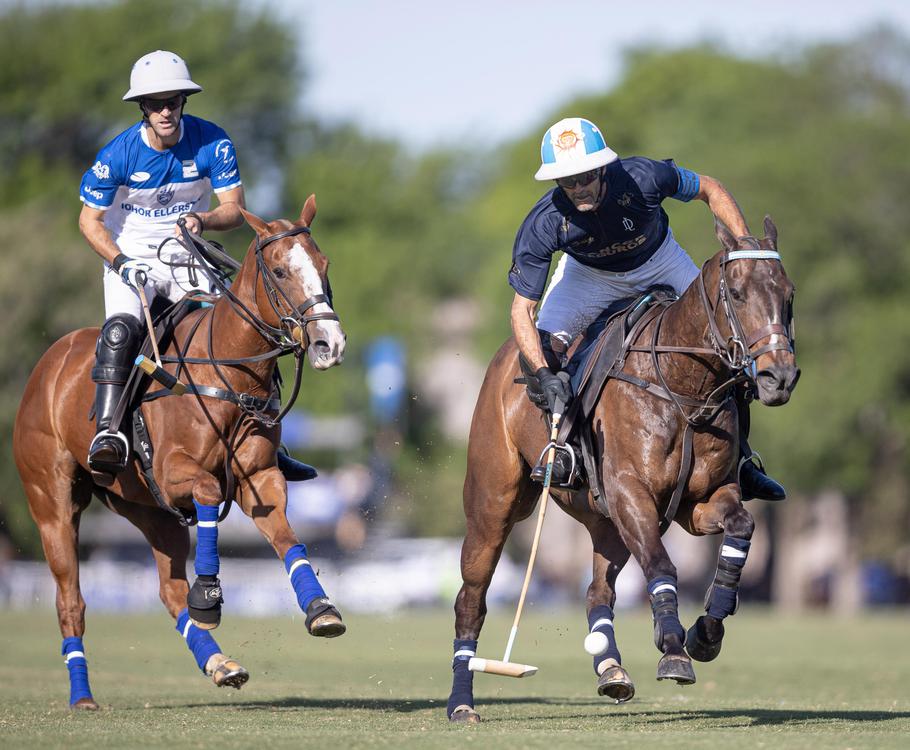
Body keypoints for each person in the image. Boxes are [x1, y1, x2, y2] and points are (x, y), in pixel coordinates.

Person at [509, 116, 785, 501]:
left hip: (659, 259)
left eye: (586, 176)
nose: (579, 188)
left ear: (604, 168)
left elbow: (711, 189)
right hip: (588, 275)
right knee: (542, 350)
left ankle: (741, 460)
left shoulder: (644, 177)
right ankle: (564, 450)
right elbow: (522, 311)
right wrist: (543, 373)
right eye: (567, 181)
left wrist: (744, 249)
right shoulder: (545, 221)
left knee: (727, 335)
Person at [78, 50, 247, 480]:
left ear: (183, 102)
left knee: (234, 326)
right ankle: (108, 431)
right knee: (121, 331)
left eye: (173, 101)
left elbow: (235, 210)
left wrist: (202, 219)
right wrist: (121, 262)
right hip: (130, 260)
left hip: (185, 255)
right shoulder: (118, 154)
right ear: (143, 109)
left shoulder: (213, 142)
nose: (165, 110)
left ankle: (260, 433)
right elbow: (88, 221)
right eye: (155, 104)